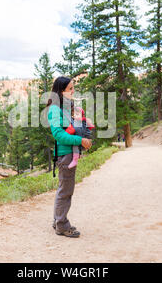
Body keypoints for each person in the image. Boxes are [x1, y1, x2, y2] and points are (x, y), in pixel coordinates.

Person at [47, 76, 92, 238]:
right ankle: (62, 225)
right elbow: (58, 135)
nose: (73, 91)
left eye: (73, 88)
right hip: (65, 155)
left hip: (69, 154)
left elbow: (73, 128)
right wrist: (81, 140)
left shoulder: (65, 108)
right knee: (66, 191)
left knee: (64, 189)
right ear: (61, 91)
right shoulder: (55, 110)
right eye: (70, 88)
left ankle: (57, 220)